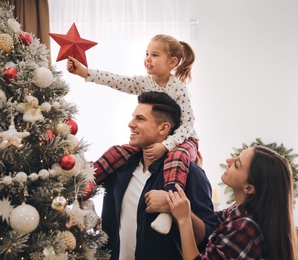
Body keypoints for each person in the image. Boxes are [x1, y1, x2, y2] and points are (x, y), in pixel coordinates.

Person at [67, 34, 199, 234]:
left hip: (183, 139)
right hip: (155, 139)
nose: (148, 58)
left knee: (177, 157)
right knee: (117, 152)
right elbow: (116, 80)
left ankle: (168, 209)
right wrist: (85, 72)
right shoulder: (144, 82)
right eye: (146, 53)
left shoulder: (178, 88)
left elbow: (188, 123)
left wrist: (167, 145)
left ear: (172, 62)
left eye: (154, 55)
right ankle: (80, 187)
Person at [98, 91, 217, 260]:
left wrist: (174, 207)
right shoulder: (120, 167)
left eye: (140, 119)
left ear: (163, 128)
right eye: (133, 117)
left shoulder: (191, 174)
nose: (130, 124)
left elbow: (208, 238)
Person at [167, 146, 298, 260]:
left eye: (237, 164)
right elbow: (211, 220)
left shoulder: (245, 228)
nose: (229, 161)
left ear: (249, 188)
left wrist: (183, 219)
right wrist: (197, 174)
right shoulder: (237, 211)